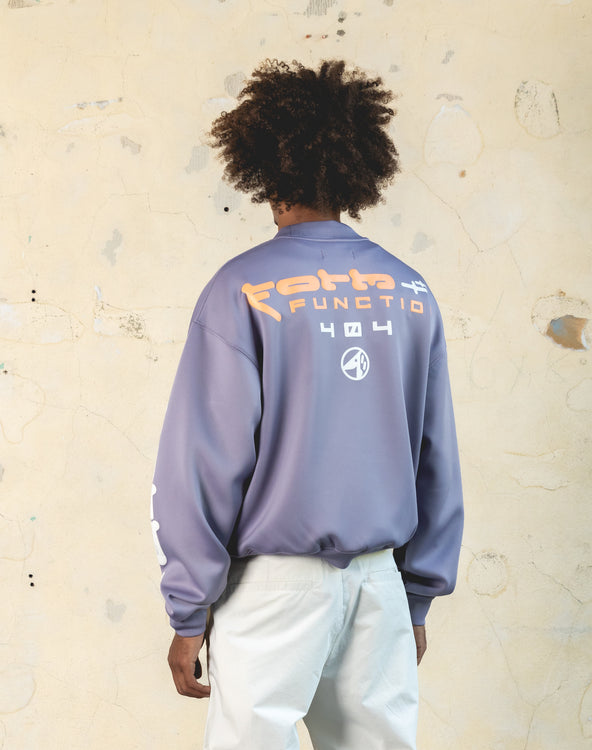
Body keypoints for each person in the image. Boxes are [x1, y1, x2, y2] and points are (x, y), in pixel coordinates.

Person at [151, 59, 463, 750]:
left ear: (264, 164)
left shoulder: (241, 290)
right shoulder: (409, 291)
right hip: (379, 586)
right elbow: (435, 455)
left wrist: (189, 609)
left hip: (273, 592)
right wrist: (414, 597)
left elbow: (203, 462)